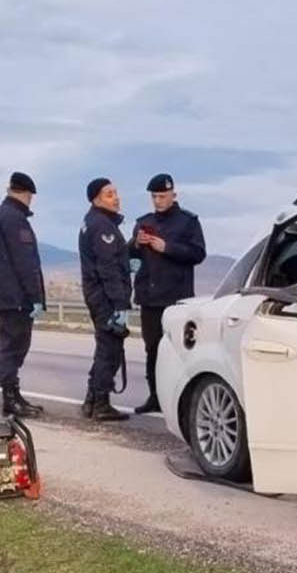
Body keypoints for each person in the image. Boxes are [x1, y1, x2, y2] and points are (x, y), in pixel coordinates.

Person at [128, 173, 206, 414]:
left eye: (162, 196)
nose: (158, 200)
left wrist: (167, 247)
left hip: (176, 298)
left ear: (174, 195)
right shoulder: (143, 221)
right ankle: (155, 396)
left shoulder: (187, 222)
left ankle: (181, 400)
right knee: (152, 349)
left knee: (178, 351)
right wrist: (136, 244)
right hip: (150, 297)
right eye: (154, 196)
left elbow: (198, 253)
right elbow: (130, 257)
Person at [0, 172, 46, 418]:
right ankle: (10, 400)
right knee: (14, 347)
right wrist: (35, 297)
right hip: (16, 297)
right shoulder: (14, 218)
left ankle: (14, 395)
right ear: (26, 193)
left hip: (6, 294)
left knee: (12, 346)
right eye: (30, 196)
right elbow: (25, 262)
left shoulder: (0, 214)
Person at [79, 177, 131, 422]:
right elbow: (107, 268)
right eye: (110, 194)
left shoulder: (94, 222)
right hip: (106, 298)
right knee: (109, 351)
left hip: (98, 295)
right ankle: (100, 403)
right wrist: (119, 303)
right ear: (96, 199)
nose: (116, 197)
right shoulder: (102, 226)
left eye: (116, 192)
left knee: (104, 349)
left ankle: (91, 401)